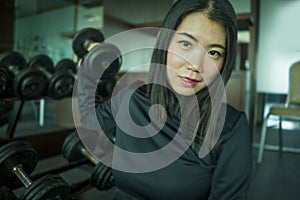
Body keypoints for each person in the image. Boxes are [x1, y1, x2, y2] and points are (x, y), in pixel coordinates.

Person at [75, 0, 252, 199]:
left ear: (223, 62)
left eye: (213, 53)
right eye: (185, 44)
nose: (195, 65)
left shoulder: (230, 129)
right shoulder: (132, 98)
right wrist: (90, 69)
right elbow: (90, 118)